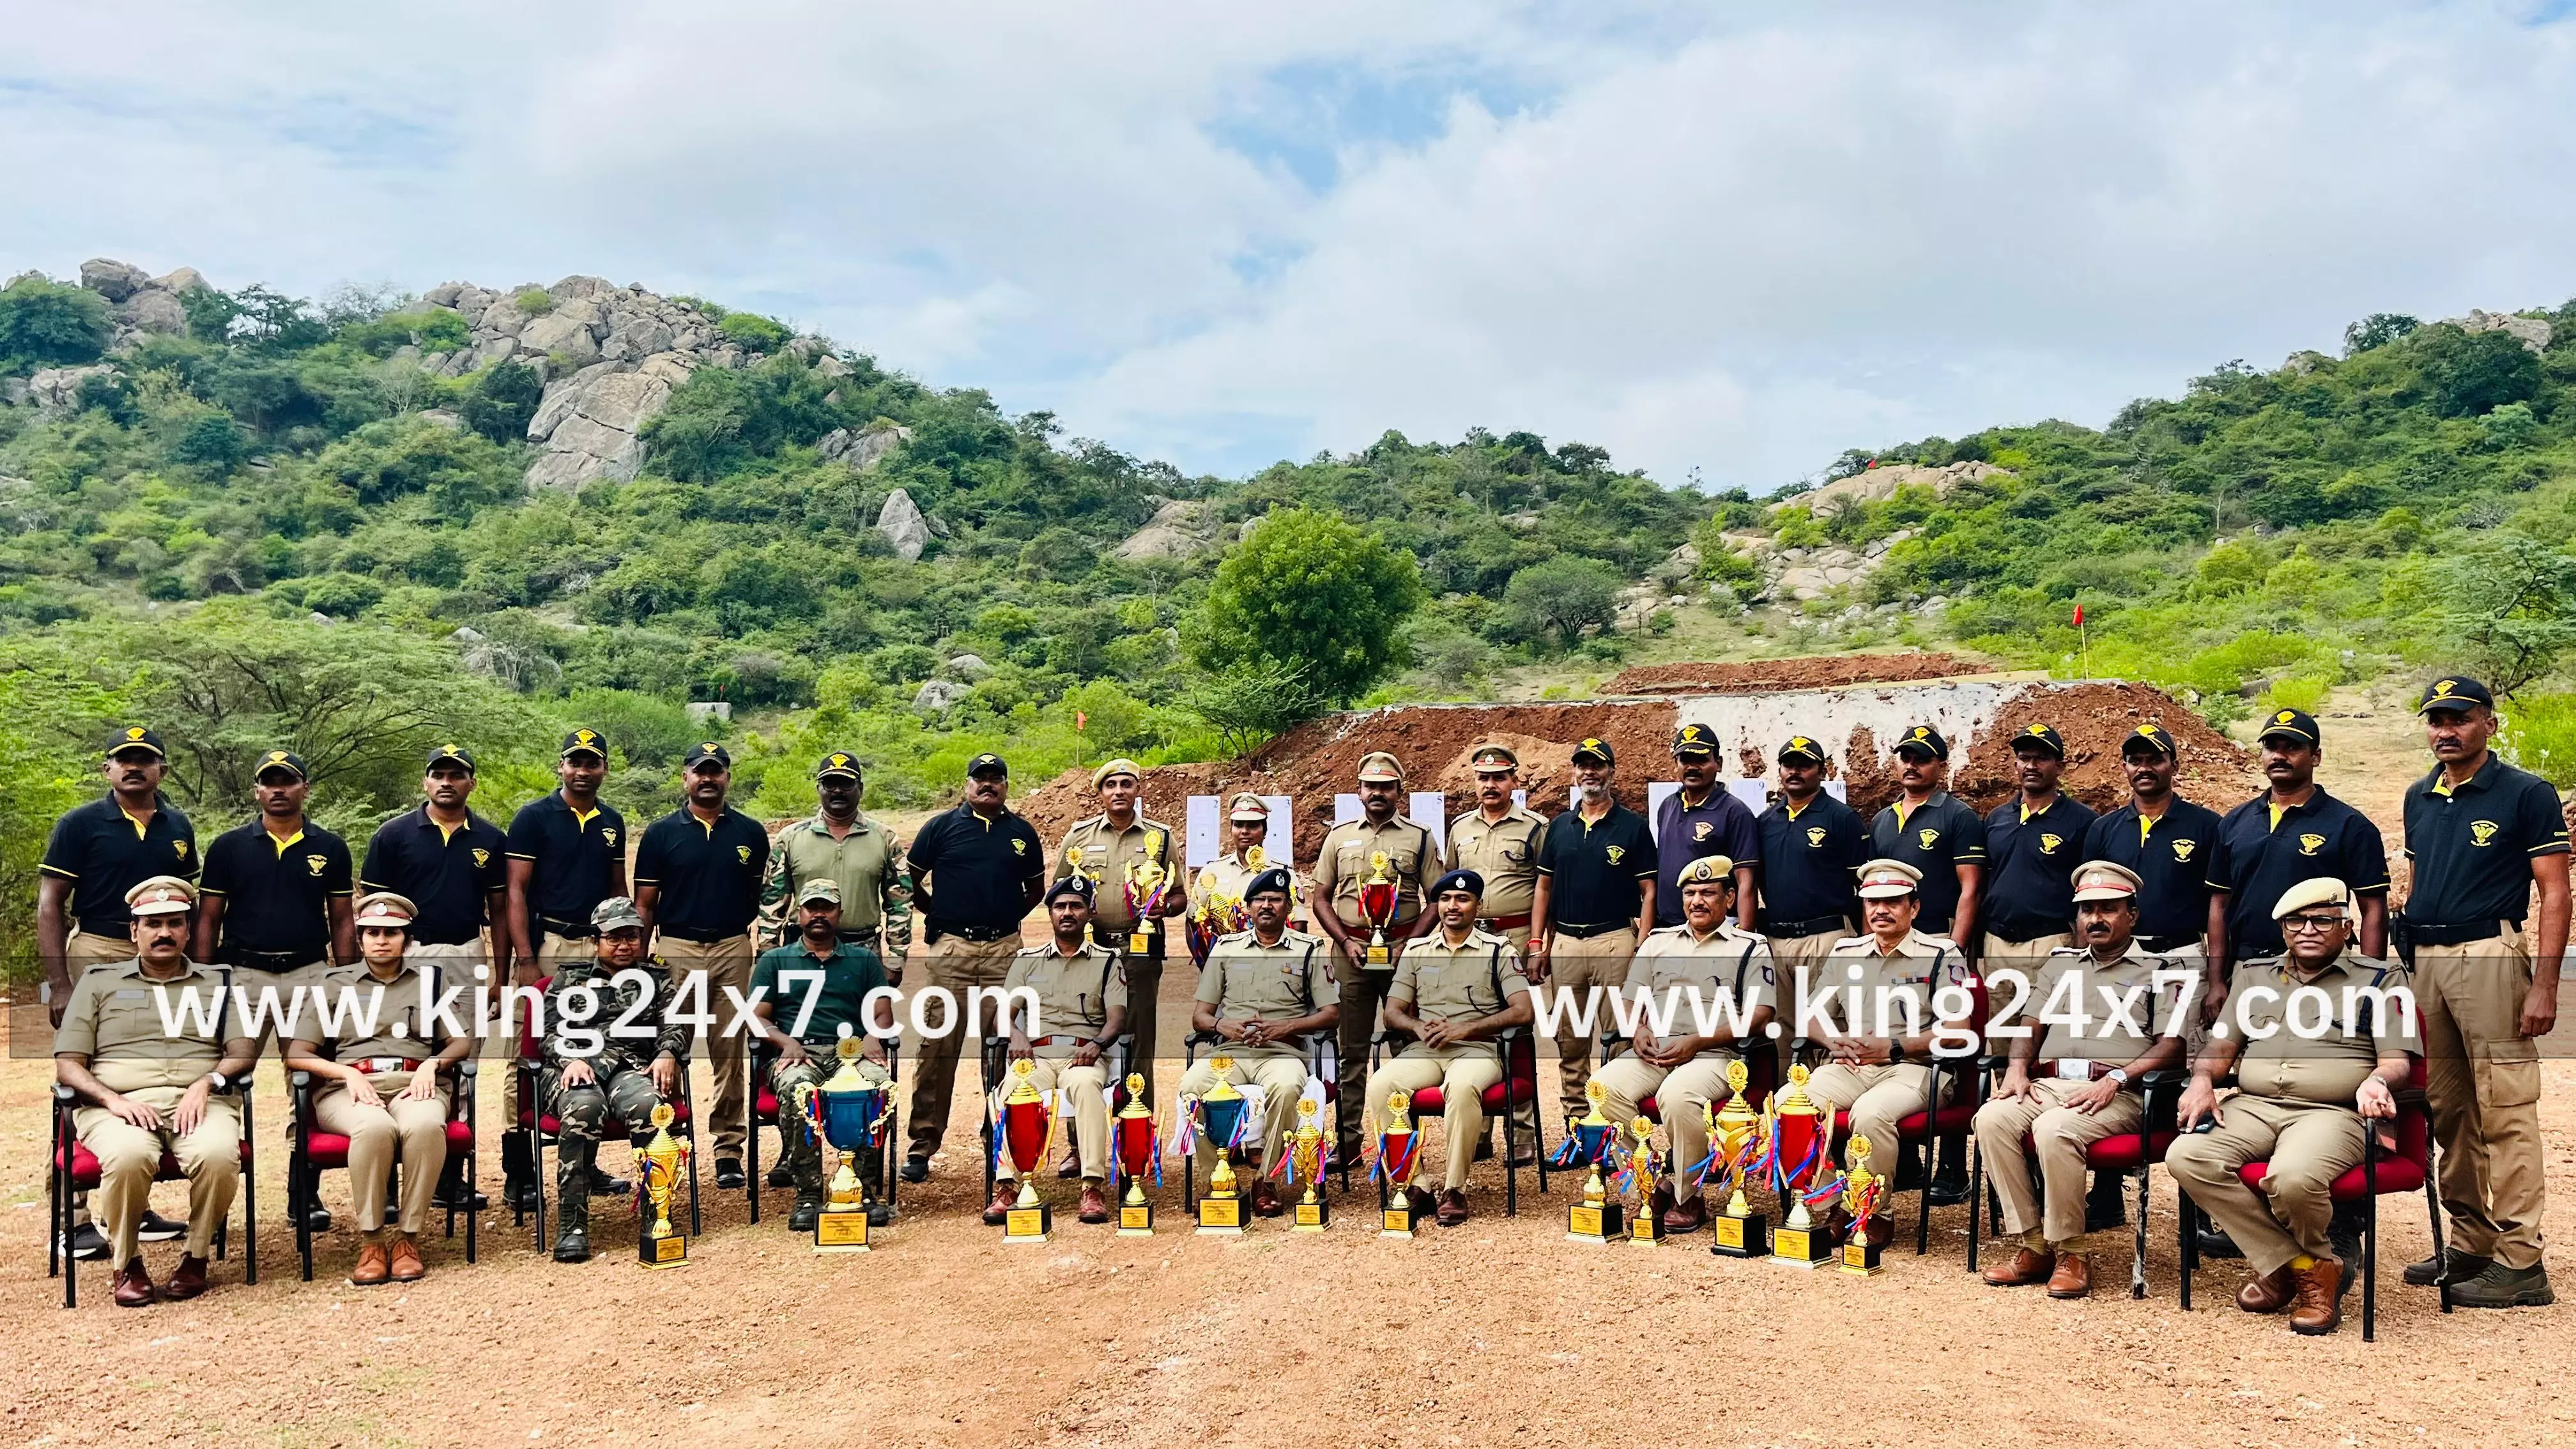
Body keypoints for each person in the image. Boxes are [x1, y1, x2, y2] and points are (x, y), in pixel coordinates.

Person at [2165, 878, 2414, 1336]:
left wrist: (2377, 1080)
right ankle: (2301, 1264)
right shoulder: (2255, 975)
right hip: (2254, 1105)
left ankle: (2300, 1270)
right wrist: (2201, 1079)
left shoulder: (2381, 979)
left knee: (2292, 1178)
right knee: (2187, 1156)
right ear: (2283, 930)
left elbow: (2396, 1060)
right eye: (2296, 921)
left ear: (2346, 926)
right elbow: (2222, 1045)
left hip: (2333, 1111)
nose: (2308, 929)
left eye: (2323, 920)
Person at [2396, 677, 2568, 1307]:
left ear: (2489, 725)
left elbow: (2555, 891)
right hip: (2430, 962)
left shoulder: (2525, 793)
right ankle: (2470, 1242)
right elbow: (2414, 883)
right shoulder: (2419, 795)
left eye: (2460, 718)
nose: (2446, 729)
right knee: (2448, 1111)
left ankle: (2522, 1262)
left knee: (2506, 1111)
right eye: (2436, 719)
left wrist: (2543, 983)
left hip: (2491, 954)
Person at [1974, 862, 2190, 1298]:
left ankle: (2072, 1251)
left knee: (2054, 1130)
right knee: (1991, 1119)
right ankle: (2034, 1244)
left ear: (2132, 915)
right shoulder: (2060, 966)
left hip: (2120, 1094)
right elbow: (2029, 1025)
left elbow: (2173, 1046)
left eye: (2108, 909)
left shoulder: (2163, 968)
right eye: (2088, 910)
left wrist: (2117, 1076)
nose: (2096, 919)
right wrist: (2017, 1068)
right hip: (2052, 1084)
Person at [52, 877, 255, 1307]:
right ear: (134, 932)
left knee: (219, 1155)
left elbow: (242, 1051)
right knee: (128, 1157)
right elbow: (68, 1062)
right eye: (153, 924)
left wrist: (207, 1083)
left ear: (187, 929)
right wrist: (113, 1100)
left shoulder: (219, 981)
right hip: (117, 1106)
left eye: (173, 923)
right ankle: (127, 1264)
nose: (163, 932)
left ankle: (196, 1257)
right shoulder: (97, 982)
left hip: (199, 1101)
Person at [40, 727, 202, 1262]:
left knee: (150, 1067)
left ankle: (136, 1205)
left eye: (145, 761)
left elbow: (188, 907)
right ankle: (73, 1216)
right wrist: (60, 981)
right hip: (99, 947)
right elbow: (50, 904)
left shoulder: (178, 826)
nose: (134, 768)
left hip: (162, 956)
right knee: (87, 1071)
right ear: (107, 769)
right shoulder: (80, 824)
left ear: (162, 769)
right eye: (124, 761)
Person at [284, 893, 471, 1287]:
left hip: (413, 1083)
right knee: (373, 1129)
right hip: (350, 1088)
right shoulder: (334, 984)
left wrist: (432, 1064)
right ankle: (372, 1241)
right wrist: (346, 1074)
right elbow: (297, 1053)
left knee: (423, 1126)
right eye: (372, 932)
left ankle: (408, 1240)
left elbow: (460, 1042)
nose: (381, 940)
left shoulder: (430, 982)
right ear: (359, 936)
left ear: (407, 939)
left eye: (392, 932)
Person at [1588, 855, 1777, 1235]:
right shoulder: (1657, 943)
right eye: (1690, 893)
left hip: (1715, 1054)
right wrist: (1634, 1031)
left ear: (1728, 898)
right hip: (1653, 1051)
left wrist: (1698, 1040)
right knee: (1601, 1091)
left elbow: (1760, 1014)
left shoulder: (1749, 947)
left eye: (1708, 893)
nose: (1698, 901)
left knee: (1676, 1095)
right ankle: (1655, 1182)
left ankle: (1687, 1195)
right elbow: (1628, 1001)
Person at [358, 743, 510, 1211]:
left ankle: (450, 1178)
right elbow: (371, 913)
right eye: (438, 774)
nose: (447, 782)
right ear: (425, 782)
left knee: (461, 1069)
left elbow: (500, 912)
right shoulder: (394, 834)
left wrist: (500, 976)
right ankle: (384, 1181)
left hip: (466, 951)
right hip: (407, 955)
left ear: (472, 783)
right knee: (393, 1057)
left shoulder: (489, 837)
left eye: (457, 774)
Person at [1804, 859, 1973, 1247]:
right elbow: (1811, 1015)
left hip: (1916, 1069)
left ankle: (1874, 1213)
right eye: (1872, 902)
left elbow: (1958, 1029)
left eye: (1893, 901)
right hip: (1851, 1066)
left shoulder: (1941, 954)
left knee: (1870, 1114)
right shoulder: (1847, 951)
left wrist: (1895, 1046)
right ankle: (1836, 1204)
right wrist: (1833, 1042)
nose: (1881, 910)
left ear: (1914, 907)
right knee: (1789, 1106)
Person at [900, 752, 1047, 1182]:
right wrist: (941, 914)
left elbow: (1035, 890)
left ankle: (998, 1137)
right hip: (952, 951)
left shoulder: (1021, 832)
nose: (988, 785)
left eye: (996, 779)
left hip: (1004, 952)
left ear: (1005, 785)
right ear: (967, 784)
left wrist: (1003, 919)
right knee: (936, 1048)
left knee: (1003, 1047)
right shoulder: (941, 828)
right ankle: (922, 1145)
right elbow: (910, 882)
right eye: (980, 779)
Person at [502, 727, 628, 1211]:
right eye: (574, 762)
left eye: (591, 762)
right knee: (527, 1053)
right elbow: (515, 890)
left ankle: (585, 1160)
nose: (582, 770)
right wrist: (527, 958)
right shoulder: (534, 817)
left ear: (603, 770)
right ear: (561, 766)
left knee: (592, 1044)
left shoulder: (611, 821)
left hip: (597, 948)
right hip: (549, 943)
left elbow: (617, 890)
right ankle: (522, 1172)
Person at [634, 741, 770, 1190]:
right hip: (676, 948)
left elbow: (758, 898)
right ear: (686, 776)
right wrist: (642, 961)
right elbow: (646, 904)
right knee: (669, 1049)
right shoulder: (660, 833)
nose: (708, 779)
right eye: (700, 771)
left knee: (729, 1051)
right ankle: (665, 1139)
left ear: (728, 777)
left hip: (733, 948)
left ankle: (728, 1149)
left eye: (716, 771)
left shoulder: (750, 833)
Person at [1368, 870, 1538, 1225]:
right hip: (1427, 1049)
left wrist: (1467, 1027)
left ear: (1478, 905)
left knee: (1461, 1088)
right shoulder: (1417, 949)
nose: (1452, 906)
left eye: (1462, 899)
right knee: (1382, 1085)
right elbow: (1393, 1012)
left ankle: (1454, 1188)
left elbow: (1523, 1010)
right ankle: (1414, 1184)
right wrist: (1417, 1026)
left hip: (1479, 1049)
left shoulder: (1497, 950)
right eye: (1445, 899)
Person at [536, 896, 690, 1263]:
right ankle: (572, 1224)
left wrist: (668, 1053)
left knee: (652, 1108)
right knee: (584, 1107)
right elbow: (546, 1032)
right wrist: (568, 1057)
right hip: (572, 1069)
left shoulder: (657, 978)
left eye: (632, 937)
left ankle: (658, 1216)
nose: (624, 945)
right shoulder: (570, 978)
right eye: (614, 938)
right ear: (596, 940)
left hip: (631, 1068)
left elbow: (676, 1024)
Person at [1186, 868, 1339, 1215]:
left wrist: (1285, 1027)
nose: (1267, 906)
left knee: (1286, 1089)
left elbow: (1331, 1014)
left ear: (1288, 908)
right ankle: (1218, 1180)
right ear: (1248, 908)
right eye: (1260, 900)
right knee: (1192, 1087)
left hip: (1282, 1052)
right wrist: (1225, 1026)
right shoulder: (1225, 948)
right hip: (1231, 1051)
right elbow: (1201, 1016)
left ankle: (1265, 1180)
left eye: (1275, 900)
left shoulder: (1308, 949)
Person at [749, 878, 895, 1232]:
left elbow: (883, 1012)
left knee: (880, 1087)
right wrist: (785, 1042)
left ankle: (860, 1190)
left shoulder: (862, 960)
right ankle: (809, 1195)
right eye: (811, 907)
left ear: (839, 914)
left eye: (827, 908)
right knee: (800, 1090)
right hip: (799, 1053)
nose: (819, 914)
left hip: (853, 1052)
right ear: (798, 914)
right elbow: (755, 1017)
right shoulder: (776, 960)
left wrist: (874, 1036)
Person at [1311, 751, 1434, 1166]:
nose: (1377, 793)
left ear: (1400, 791)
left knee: (1407, 1048)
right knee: (1352, 1052)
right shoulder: (1338, 837)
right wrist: (1345, 941)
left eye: (1386, 786)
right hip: (1353, 955)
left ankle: (1405, 1141)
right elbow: (1321, 898)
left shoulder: (1419, 837)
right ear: (1359, 791)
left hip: (1402, 955)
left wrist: (1409, 944)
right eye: (1370, 786)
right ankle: (1347, 1144)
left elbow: (1437, 899)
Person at [1529, 737, 1658, 1122]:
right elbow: (1544, 887)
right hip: (1567, 942)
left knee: (1619, 1035)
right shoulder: (1560, 827)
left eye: (1598, 766)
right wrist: (1539, 943)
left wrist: (1643, 943)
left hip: (1615, 939)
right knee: (1570, 1038)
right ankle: (1576, 1125)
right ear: (1574, 773)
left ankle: (1614, 1125)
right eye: (1583, 765)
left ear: (1611, 773)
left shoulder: (1632, 827)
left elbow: (1649, 891)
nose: (1590, 772)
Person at [194, 749, 357, 1052]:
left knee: (309, 1076)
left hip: (308, 974)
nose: (278, 789)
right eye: (269, 783)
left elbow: (342, 919)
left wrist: (347, 977)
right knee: (229, 1070)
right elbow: (208, 918)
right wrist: (203, 976)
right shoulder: (228, 847)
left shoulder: (331, 847)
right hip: (243, 975)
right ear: (257, 792)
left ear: (305, 788)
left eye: (288, 781)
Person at [992, 876, 1129, 1225]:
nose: (1068, 913)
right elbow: (1002, 1015)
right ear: (1050, 913)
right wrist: (1016, 1035)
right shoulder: (1027, 961)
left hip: (1084, 1055)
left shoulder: (1108, 961)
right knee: (1010, 1091)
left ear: (1089, 913)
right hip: (1035, 1055)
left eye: (1076, 906)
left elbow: (1117, 1017)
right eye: (1060, 907)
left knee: (1085, 1087)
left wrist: (1098, 1044)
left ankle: (1092, 1185)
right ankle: (1008, 1185)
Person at [1053, 758, 1185, 1101]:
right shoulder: (1079, 836)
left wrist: (1165, 907)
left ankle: (1136, 1133)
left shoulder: (1162, 836)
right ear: (1100, 793)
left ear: (1138, 790)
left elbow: (1180, 896)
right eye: (1111, 786)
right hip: (1091, 951)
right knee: (1086, 1033)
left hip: (1140, 950)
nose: (1119, 792)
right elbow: (1058, 892)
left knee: (1139, 1038)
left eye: (1127, 784)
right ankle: (1080, 1141)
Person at [1443, 742, 1548, 1157]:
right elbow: (1451, 888)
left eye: (1499, 778)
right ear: (1475, 782)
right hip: (1471, 942)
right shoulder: (1460, 828)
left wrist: (1540, 944)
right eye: (1484, 778)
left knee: (1518, 1033)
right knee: (1476, 1030)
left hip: (1516, 937)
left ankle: (1522, 1137)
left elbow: (1546, 889)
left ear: (1513, 781)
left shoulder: (1536, 828)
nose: (1491, 785)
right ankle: (1480, 1134)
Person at [755, 750, 912, 965]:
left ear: (861, 789)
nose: (838, 790)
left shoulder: (885, 839)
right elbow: (772, 901)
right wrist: (768, 954)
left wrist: (897, 957)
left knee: (863, 1001)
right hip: (801, 950)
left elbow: (900, 901)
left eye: (846, 784)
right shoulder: (790, 838)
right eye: (830, 784)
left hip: (861, 950)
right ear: (819, 789)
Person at [1755, 733, 1866, 993]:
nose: (1795, 772)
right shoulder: (1765, 821)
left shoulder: (1842, 818)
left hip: (1826, 939)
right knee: (1783, 1029)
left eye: (1804, 766)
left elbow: (1863, 884)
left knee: (1829, 1024)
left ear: (1823, 772)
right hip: (1776, 941)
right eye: (1788, 765)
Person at [1979, 724, 2094, 970]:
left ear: (2059, 767)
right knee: (1997, 1011)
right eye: (2025, 758)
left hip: (2051, 943)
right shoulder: (1996, 819)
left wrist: (2081, 947)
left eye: (2042, 758)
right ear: (2016, 766)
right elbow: (1984, 881)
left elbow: (2089, 890)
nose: (2032, 766)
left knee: (2048, 1010)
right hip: (1997, 944)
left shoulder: (2084, 821)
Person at [1866, 724, 1985, 949]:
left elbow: (1972, 889)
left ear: (1942, 765)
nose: (1911, 766)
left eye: (1921, 760)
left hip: (1937, 936)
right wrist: (1867, 942)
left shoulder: (1959, 816)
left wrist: (1956, 948)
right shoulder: (1881, 820)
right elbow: (1871, 887)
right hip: (1888, 938)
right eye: (1905, 758)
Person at [1652, 723, 1759, 930]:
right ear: (1676, 763)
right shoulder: (1667, 806)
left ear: (1718, 763)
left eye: (1701, 760)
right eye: (1685, 760)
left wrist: (1745, 941)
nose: (1692, 767)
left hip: (1716, 929)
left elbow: (1746, 882)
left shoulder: (1735, 812)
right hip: (1668, 929)